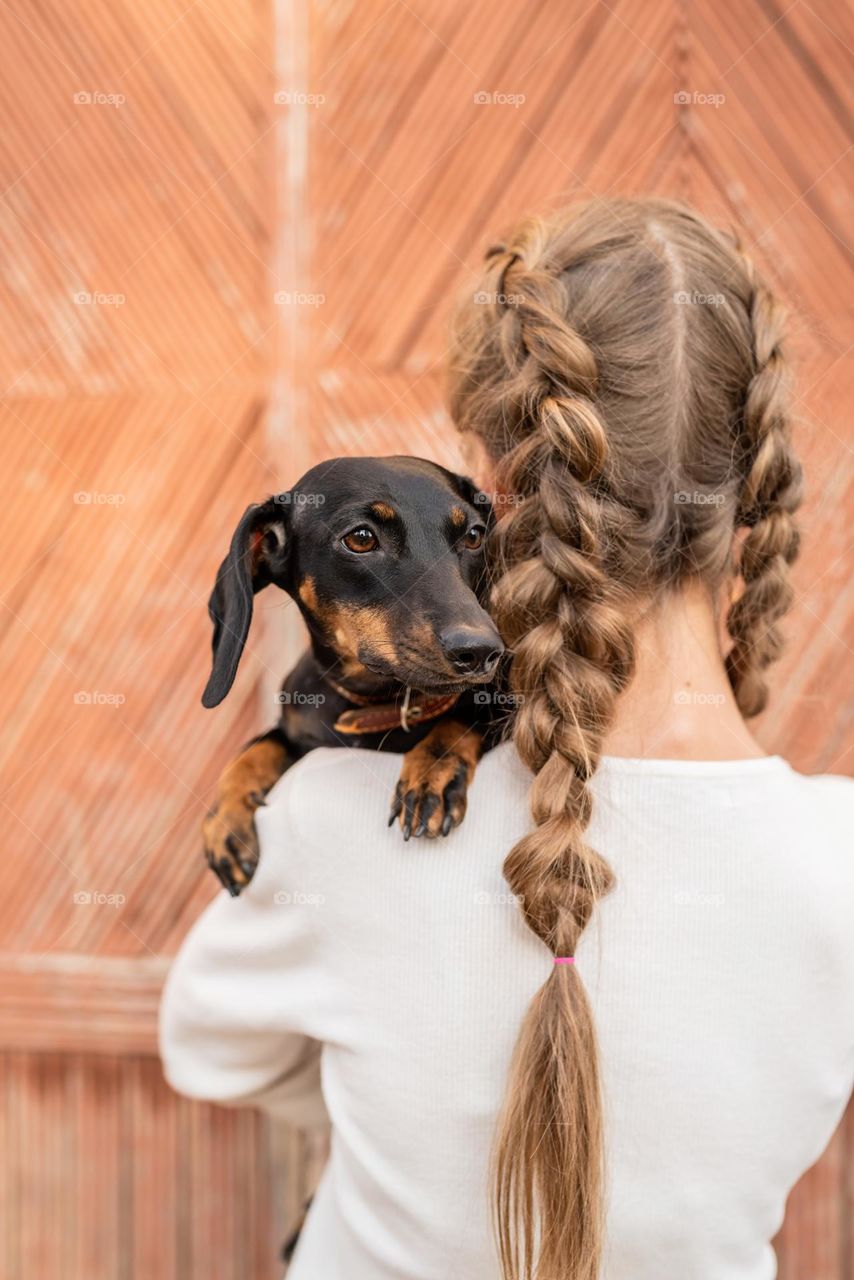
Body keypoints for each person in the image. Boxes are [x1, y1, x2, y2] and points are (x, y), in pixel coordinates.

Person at [159, 198, 854, 1280]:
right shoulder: (839, 861)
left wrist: (390, 1109)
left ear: (494, 487)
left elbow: (206, 1051)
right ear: (749, 494)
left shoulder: (334, 815)